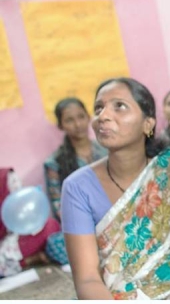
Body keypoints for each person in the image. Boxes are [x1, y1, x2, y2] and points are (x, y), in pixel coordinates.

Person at [61, 78, 170, 299]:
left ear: (148, 124)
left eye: (119, 106)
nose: (103, 116)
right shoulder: (77, 187)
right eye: (98, 108)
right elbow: (87, 279)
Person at [43, 97, 108, 265]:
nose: (78, 124)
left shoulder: (107, 150)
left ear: (89, 117)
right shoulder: (54, 162)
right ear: (61, 125)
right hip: (83, 226)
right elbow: (59, 206)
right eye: (69, 120)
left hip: (114, 217)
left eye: (81, 117)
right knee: (55, 243)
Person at [0, 168, 60, 277]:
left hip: (15, 234)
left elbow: (20, 208)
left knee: (51, 226)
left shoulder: (7, 177)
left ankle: (22, 261)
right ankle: (29, 260)